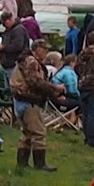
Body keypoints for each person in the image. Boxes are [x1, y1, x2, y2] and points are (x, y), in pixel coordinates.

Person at [10, 41, 62, 171]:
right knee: (39, 132)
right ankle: (40, 164)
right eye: (44, 49)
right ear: (37, 49)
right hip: (30, 101)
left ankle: (22, 163)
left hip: (20, 100)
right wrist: (54, 89)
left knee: (27, 133)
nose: (46, 53)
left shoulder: (23, 60)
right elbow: (35, 81)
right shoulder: (32, 61)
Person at [0, 11, 29, 78]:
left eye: (4, 23)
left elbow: (17, 46)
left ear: (9, 20)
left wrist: (3, 47)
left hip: (15, 63)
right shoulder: (9, 31)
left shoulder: (18, 30)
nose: (3, 25)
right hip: (8, 64)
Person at [47, 51, 80, 116]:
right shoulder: (69, 73)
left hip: (52, 100)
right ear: (71, 63)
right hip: (59, 102)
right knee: (84, 103)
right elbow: (72, 91)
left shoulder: (62, 71)